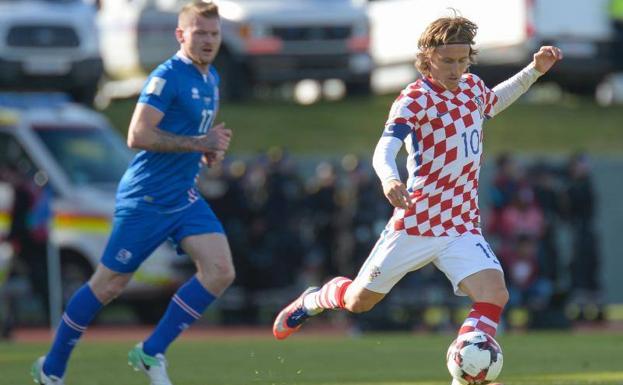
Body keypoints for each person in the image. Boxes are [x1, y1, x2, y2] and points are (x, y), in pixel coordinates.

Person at [272, 13, 562, 384]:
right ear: (427, 58)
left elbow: (494, 101)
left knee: (494, 293)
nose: (456, 69)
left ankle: (466, 370)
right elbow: (384, 149)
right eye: (448, 61)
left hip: (460, 225)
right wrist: (390, 179)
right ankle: (316, 298)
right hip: (417, 222)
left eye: (462, 60)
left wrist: (534, 70)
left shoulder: (472, 88)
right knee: (359, 301)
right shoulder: (415, 98)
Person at [31, 2, 233, 384]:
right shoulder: (167, 76)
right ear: (180, 35)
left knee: (220, 271)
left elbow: (194, 140)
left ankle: (151, 351)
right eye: (200, 33)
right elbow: (137, 135)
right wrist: (197, 143)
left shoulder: (212, 78)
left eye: (214, 33)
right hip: (146, 199)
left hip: (182, 197)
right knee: (108, 284)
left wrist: (208, 151)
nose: (208, 41)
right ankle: (52, 367)